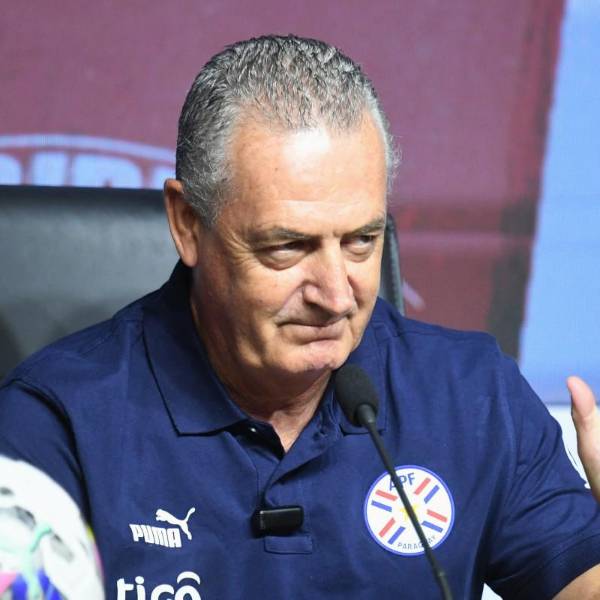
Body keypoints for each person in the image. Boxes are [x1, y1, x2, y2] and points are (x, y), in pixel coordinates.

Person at [1, 34, 599, 599]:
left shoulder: (472, 396)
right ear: (187, 225)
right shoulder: (56, 424)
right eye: (288, 247)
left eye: (361, 241)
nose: (336, 296)